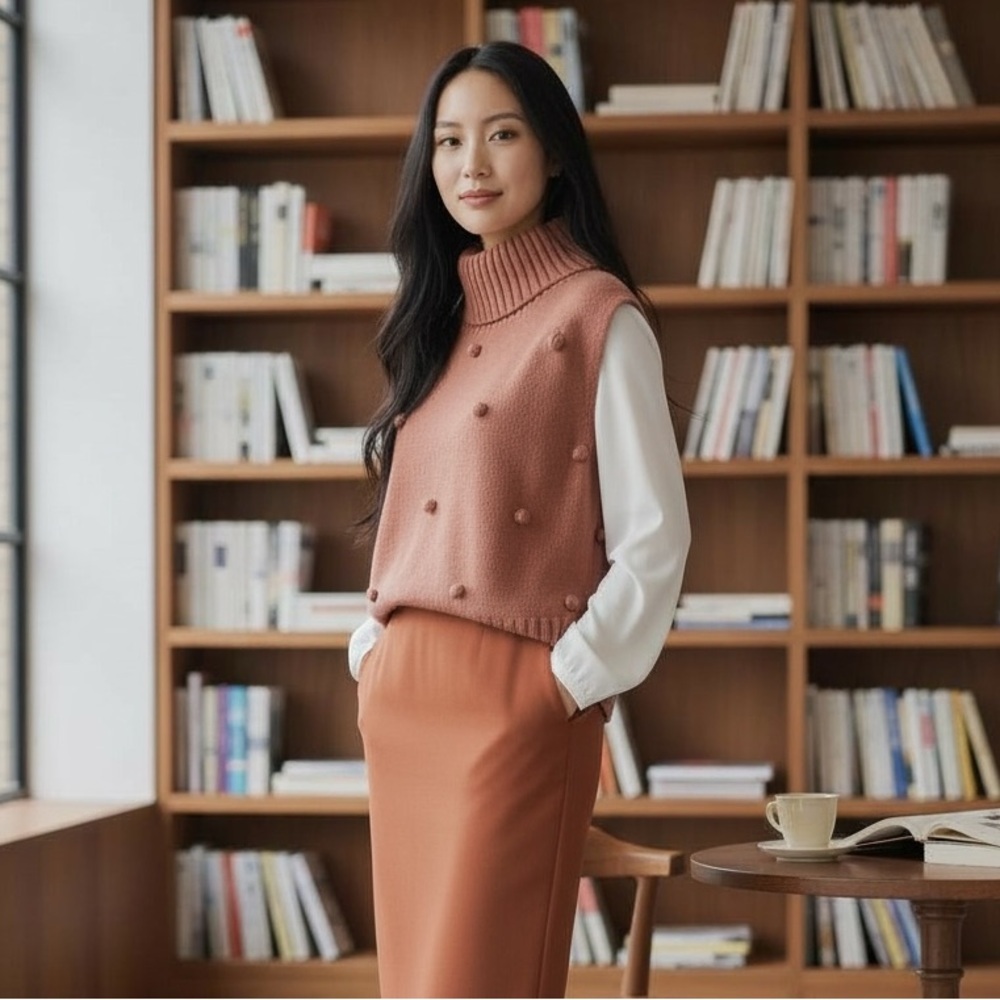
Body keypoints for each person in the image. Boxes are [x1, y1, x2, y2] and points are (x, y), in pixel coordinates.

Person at [348, 40, 690, 999]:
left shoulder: (596, 316)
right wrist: (370, 647)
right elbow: (421, 511)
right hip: (405, 701)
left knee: (482, 982)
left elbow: (656, 539)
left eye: (501, 134)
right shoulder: (437, 322)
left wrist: (567, 683)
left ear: (553, 154)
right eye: (449, 141)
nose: (472, 165)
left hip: (517, 699)